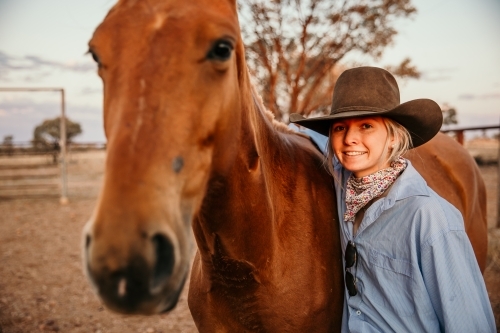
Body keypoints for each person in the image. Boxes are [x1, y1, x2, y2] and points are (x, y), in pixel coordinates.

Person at [289, 66, 495, 332]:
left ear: (393, 137)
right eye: (340, 127)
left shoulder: (429, 217)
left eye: (366, 126)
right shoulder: (347, 190)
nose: (350, 138)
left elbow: (469, 322)